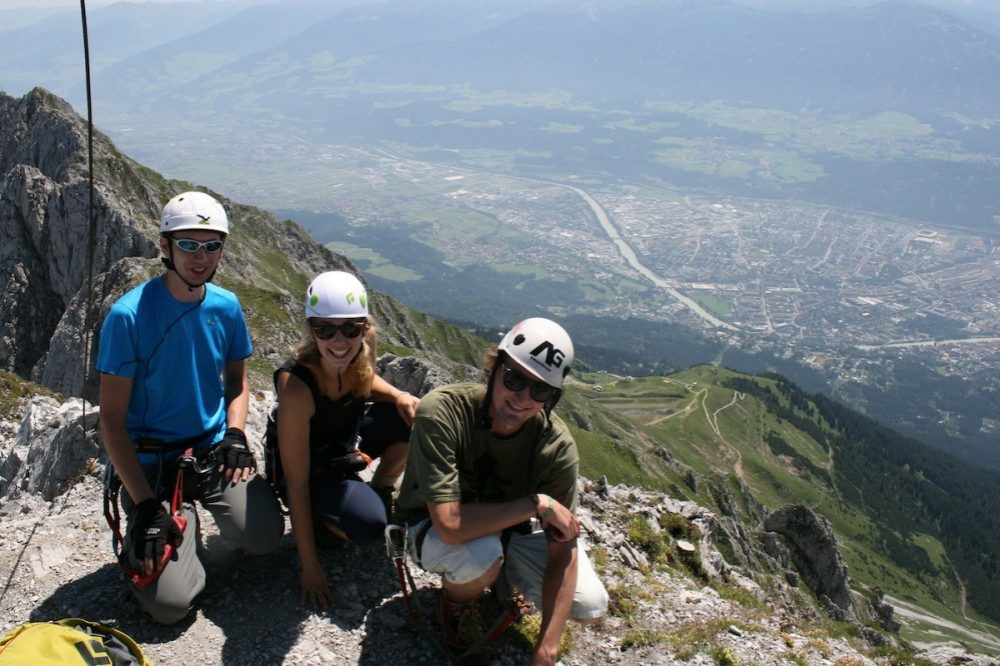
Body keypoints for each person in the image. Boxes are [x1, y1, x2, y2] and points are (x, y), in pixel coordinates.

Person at [97, 191, 284, 625]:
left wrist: (235, 434)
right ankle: (173, 525)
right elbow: (111, 419)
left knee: (264, 535)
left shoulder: (226, 306)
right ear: (165, 247)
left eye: (212, 245)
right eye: (189, 244)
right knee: (170, 608)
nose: (201, 257)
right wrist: (145, 505)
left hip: (209, 452)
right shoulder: (129, 316)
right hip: (153, 465)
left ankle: (184, 524)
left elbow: (237, 384)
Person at [394, 317, 608, 665]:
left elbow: (562, 547)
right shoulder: (444, 411)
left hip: (509, 528)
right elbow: (449, 526)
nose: (522, 398)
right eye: (515, 379)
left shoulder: (555, 446)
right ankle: (460, 604)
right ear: (495, 368)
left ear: (551, 397)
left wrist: (547, 649)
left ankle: (499, 577)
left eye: (540, 390)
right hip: (430, 526)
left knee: (590, 604)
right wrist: (536, 503)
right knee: (479, 555)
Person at [274, 270, 418, 609]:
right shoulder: (296, 387)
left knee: (412, 418)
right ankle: (324, 525)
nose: (339, 341)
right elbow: (295, 483)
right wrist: (310, 567)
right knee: (369, 527)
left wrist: (399, 396)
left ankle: (380, 490)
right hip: (310, 473)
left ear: (364, 327)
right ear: (312, 330)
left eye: (350, 328)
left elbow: (366, 383)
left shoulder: (363, 348)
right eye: (325, 329)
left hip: (343, 450)